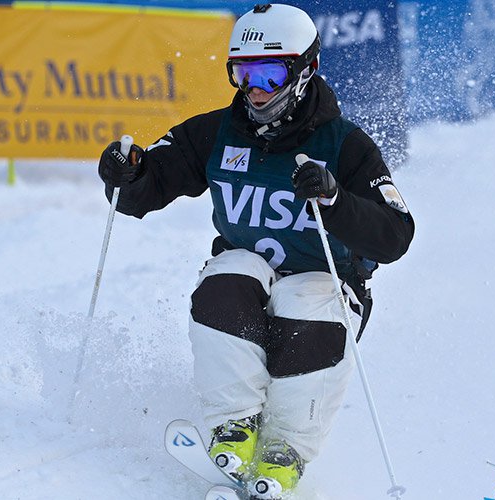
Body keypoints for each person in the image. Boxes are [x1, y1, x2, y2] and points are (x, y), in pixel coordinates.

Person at [98, 4, 414, 499]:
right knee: (229, 277)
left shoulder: (346, 145)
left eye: (269, 74)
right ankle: (234, 427)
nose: (255, 91)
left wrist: (335, 200)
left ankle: (284, 450)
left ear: (306, 71)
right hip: (249, 285)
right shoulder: (216, 133)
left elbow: (396, 235)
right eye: (242, 75)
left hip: (327, 287)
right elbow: (148, 186)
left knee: (301, 302)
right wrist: (127, 173)